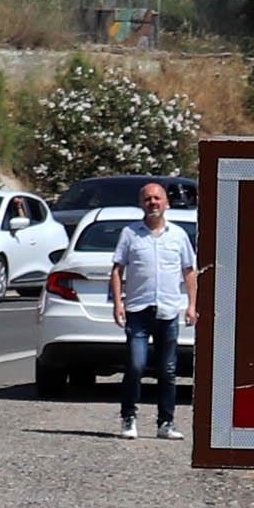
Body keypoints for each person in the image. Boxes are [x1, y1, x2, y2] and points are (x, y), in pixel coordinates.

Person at [107, 180, 199, 440]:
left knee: (167, 370)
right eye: (148, 199)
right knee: (136, 365)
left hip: (168, 311)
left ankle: (166, 423)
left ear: (166, 203)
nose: (153, 203)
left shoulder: (178, 235)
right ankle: (128, 417)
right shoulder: (130, 234)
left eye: (157, 198)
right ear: (141, 204)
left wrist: (192, 305)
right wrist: (118, 302)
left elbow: (189, 271)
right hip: (138, 310)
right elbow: (117, 270)